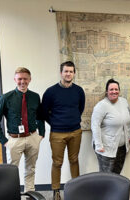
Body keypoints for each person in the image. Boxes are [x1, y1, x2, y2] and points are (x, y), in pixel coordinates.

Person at [0, 67, 45, 192]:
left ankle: (30, 193)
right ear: (15, 79)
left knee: (31, 169)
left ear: (30, 80)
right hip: (15, 140)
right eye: (20, 78)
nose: (22, 81)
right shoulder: (6, 98)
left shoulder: (35, 97)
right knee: (11, 171)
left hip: (32, 138)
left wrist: (41, 134)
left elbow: (40, 117)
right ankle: (11, 194)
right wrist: (4, 141)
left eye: (25, 79)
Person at [42, 61, 85, 200]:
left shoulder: (79, 91)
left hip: (75, 132)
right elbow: (44, 112)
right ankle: (56, 192)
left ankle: (76, 189)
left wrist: (72, 120)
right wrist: (55, 122)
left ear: (74, 73)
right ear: (61, 73)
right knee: (57, 163)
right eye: (66, 71)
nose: (68, 74)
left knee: (74, 160)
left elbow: (80, 108)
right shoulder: (50, 92)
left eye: (71, 71)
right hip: (57, 133)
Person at [91, 79, 130, 174]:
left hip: (121, 147)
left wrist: (129, 136)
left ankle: (115, 189)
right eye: (111, 89)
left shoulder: (124, 102)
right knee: (106, 175)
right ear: (107, 91)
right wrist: (98, 145)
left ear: (119, 91)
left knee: (117, 173)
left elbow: (129, 120)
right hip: (106, 148)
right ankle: (103, 190)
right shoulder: (101, 106)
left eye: (116, 89)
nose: (114, 91)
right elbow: (95, 125)